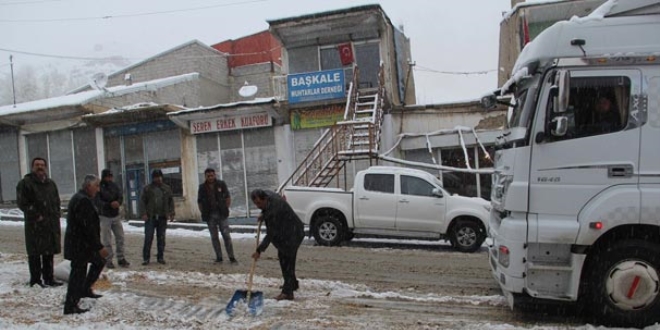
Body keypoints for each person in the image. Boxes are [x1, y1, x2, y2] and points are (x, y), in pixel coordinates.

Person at [63, 174, 109, 315]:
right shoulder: (83, 201)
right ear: (88, 186)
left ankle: (85, 289)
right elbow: (87, 228)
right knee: (77, 274)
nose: (98, 189)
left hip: (82, 244)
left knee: (98, 262)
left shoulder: (83, 198)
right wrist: (99, 246)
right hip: (80, 245)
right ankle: (70, 305)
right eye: (96, 186)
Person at [16, 157, 63, 288]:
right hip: (35, 225)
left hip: (50, 224)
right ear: (32, 167)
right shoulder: (25, 183)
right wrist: (36, 215)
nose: (40, 167)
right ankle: (36, 280)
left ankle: (49, 278)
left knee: (49, 252)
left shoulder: (50, 184)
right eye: (37, 165)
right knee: (35, 253)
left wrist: (56, 214)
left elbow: (56, 201)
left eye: (42, 165)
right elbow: (22, 203)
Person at [250, 189, 305, 301]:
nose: (258, 206)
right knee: (285, 259)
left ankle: (287, 293)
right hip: (288, 231)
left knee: (286, 262)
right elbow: (267, 210)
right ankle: (292, 284)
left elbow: (271, 234)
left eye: (259, 203)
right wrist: (263, 214)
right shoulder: (269, 196)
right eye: (255, 204)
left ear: (265, 199)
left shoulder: (274, 210)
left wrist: (259, 250)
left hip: (292, 234)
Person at [197, 168, 236, 263]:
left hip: (222, 214)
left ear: (215, 175)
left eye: (212, 175)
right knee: (214, 237)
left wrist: (225, 208)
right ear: (205, 176)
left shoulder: (221, 184)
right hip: (210, 216)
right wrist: (204, 212)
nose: (210, 177)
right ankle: (219, 257)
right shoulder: (202, 187)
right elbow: (199, 202)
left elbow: (227, 197)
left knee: (226, 235)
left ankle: (231, 257)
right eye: (208, 176)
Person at [140, 169, 175, 265]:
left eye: (159, 177)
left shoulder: (166, 188)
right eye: (156, 177)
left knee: (161, 238)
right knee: (148, 237)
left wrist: (172, 212)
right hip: (150, 217)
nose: (158, 179)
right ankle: (146, 258)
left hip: (162, 217)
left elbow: (170, 201)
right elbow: (142, 202)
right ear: (153, 178)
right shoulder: (147, 189)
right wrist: (144, 213)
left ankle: (160, 257)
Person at [97, 169, 130, 269]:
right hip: (104, 216)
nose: (110, 178)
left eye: (111, 176)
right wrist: (108, 205)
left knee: (120, 237)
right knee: (106, 240)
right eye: (108, 176)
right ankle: (108, 259)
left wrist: (118, 203)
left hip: (115, 215)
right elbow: (97, 201)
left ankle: (121, 258)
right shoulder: (99, 187)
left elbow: (120, 196)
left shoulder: (114, 186)